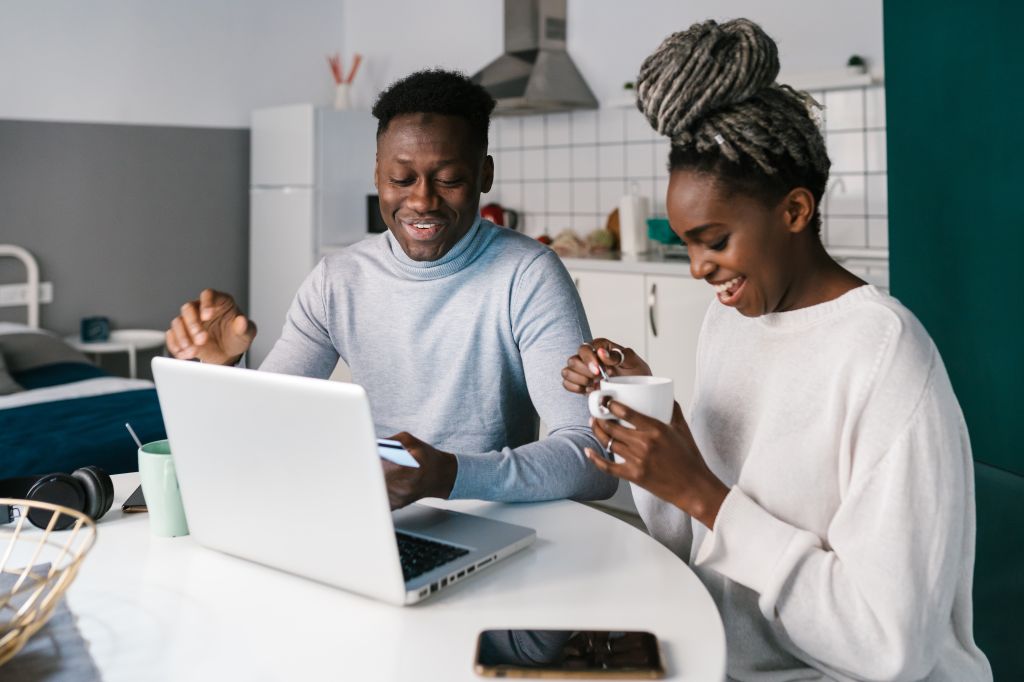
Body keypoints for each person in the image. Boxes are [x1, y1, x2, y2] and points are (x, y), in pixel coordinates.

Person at [561, 19, 991, 681]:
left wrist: (703, 492)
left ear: (794, 211)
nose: (698, 268)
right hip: (719, 655)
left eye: (715, 240)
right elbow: (697, 543)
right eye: (687, 244)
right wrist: (652, 421)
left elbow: (890, 647)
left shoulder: (885, 357)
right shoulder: (730, 322)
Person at [166, 69, 614, 509]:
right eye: (401, 180)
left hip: (490, 512)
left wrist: (449, 474)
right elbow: (265, 423)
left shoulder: (528, 275)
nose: (421, 201)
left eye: (449, 180)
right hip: (376, 516)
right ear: (377, 175)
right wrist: (222, 366)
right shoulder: (337, 280)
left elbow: (592, 460)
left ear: (485, 175)